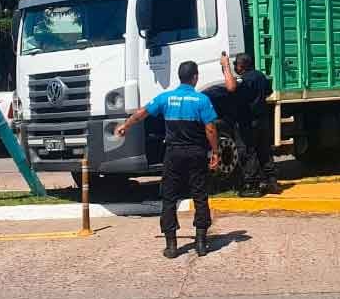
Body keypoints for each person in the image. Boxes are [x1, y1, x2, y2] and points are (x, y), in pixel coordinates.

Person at [115, 61, 219, 259]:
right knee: (200, 195)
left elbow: (142, 113)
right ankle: (201, 243)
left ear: (179, 77)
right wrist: (215, 151)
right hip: (196, 153)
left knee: (169, 197)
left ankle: (171, 246)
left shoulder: (166, 98)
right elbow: (211, 129)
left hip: (173, 154)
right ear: (195, 77)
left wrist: (125, 126)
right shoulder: (201, 100)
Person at [221, 52, 281, 197]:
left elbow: (231, 88)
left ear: (241, 66)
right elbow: (268, 92)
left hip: (248, 122)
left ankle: (252, 185)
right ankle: (272, 182)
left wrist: (226, 66)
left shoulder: (245, 80)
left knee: (248, 152)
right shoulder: (260, 76)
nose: (235, 67)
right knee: (264, 151)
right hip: (262, 120)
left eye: (236, 64)